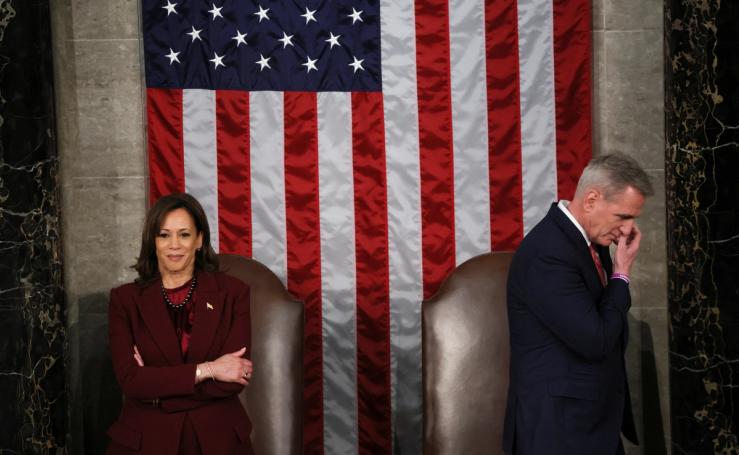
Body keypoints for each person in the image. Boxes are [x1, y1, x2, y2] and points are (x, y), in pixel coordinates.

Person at [502, 153, 653, 455]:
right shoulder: (549, 253)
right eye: (623, 217)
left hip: (590, 422)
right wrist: (621, 275)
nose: (627, 230)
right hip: (558, 430)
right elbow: (596, 340)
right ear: (591, 199)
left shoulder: (589, 242)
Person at [106, 193, 254, 454]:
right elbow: (130, 381)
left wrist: (156, 389)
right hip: (146, 438)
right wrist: (209, 369)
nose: (174, 244)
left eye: (184, 234)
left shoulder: (233, 293)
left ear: (199, 240)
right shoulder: (125, 300)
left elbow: (232, 380)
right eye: (164, 235)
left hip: (216, 437)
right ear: (153, 242)